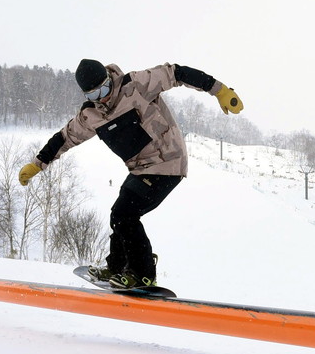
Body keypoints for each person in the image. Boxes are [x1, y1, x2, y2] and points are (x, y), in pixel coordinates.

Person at [18, 59, 244, 290]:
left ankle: (143, 274)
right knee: (119, 214)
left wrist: (219, 90)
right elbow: (64, 138)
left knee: (125, 213)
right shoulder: (91, 116)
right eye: (94, 95)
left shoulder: (136, 84)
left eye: (104, 89)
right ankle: (117, 266)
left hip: (168, 162)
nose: (102, 98)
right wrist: (37, 164)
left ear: (109, 79)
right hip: (140, 168)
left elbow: (177, 73)